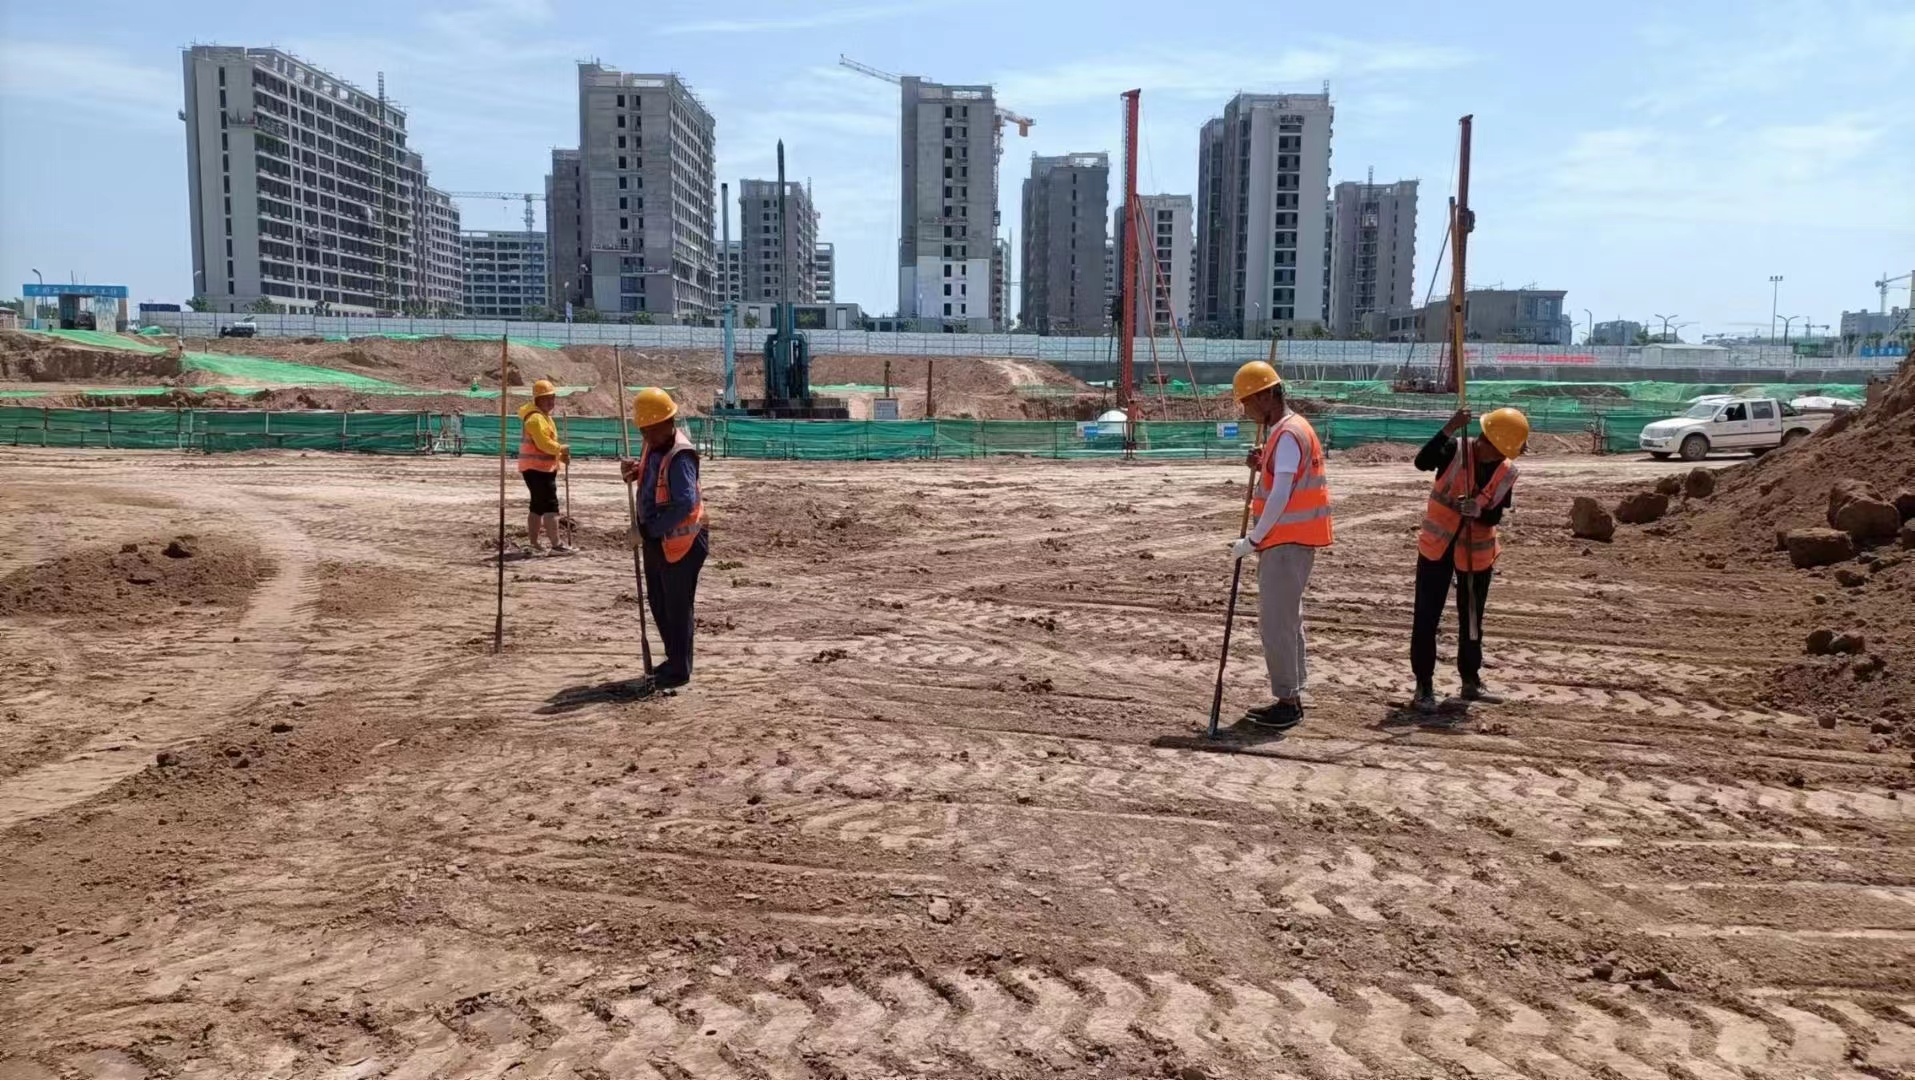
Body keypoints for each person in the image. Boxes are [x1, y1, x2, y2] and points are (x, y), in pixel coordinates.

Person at [1226, 360, 1333, 729]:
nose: (1246, 411)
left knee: (1276, 623)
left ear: (1268, 396)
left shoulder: (1287, 433)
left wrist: (1253, 540)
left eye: (1249, 403)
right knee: (1288, 621)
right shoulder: (1290, 430)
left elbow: (1282, 493)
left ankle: (1287, 701)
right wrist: (1263, 463)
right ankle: (1293, 693)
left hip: (1285, 541)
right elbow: (1282, 476)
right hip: (1293, 540)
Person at [1409, 406, 1529, 713]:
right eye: (1496, 451)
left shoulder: (1506, 470)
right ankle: (1424, 685)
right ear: (1486, 440)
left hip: (1476, 551)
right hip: (1438, 546)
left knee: (1472, 619)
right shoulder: (1455, 448)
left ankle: (1470, 679)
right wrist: (1449, 426)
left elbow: (1495, 515)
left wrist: (1480, 511)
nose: (1498, 458)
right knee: (1426, 617)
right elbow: (1422, 462)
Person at [620, 387, 708, 690]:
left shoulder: (679, 454)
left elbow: (684, 503)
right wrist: (633, 471)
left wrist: (648, 530)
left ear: (665, 424)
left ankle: (680, 669)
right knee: (659, 601)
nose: (645, 436)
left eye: (649, 430)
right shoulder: (653, 445)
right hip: (658, 540)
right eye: (642, 431)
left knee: (677, 606)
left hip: (683, 541)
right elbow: (651, 478)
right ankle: (674, 659)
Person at [517, 379, 572, 554]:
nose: (551, 402)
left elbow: (548, 445)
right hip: (537, 470)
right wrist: (561, 449)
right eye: (546, 398)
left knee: (537, 506)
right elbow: (543, 444)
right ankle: (556, 545)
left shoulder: (544, 418)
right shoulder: (535, 419)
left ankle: (534, 543)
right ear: (537, 400)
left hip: (538, 469)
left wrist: (560, 457)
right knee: (550, 506)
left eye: (552, 398)